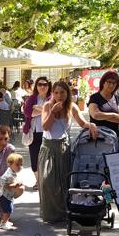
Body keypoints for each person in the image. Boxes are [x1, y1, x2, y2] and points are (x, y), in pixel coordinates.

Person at [40, 80, 97, 223]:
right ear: (52, 94)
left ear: (67, 93)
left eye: (62, 92)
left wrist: (91, 125)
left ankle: (63, 212)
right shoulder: (47, 106)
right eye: (56, 92)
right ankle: (50, 214)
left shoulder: (72, 107)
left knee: (63, 182)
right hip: (48, 147)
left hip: (63, 147)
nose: (59, 96)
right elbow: (45, 127)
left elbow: (82, 123)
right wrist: (53, 112)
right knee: (47, 182)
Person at [22, 76, 51, 190]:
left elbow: (52, 111)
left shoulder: (52, 98)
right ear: (36, 86)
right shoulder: (32, 98)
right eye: (40, 84)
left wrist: (37, 108)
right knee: (35, 159)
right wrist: (43, 109)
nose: (42, 86)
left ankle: (45, 180)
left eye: (45, 84)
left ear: (48, 86)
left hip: (48, 132)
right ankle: (38, 181)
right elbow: (28, 113)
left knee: (47, 158)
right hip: (33, 132)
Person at [0, 152, 24, 230]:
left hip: (8, 195)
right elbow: (7, 185)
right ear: (10, 164)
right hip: (5, 195)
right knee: (8, 210)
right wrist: (16, 185)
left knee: (9, 208)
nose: (20, 167)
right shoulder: (9, 175)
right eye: (17, 165)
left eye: (21, 164)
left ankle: (5, 221)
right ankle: (4, 223)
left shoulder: (11, 172)